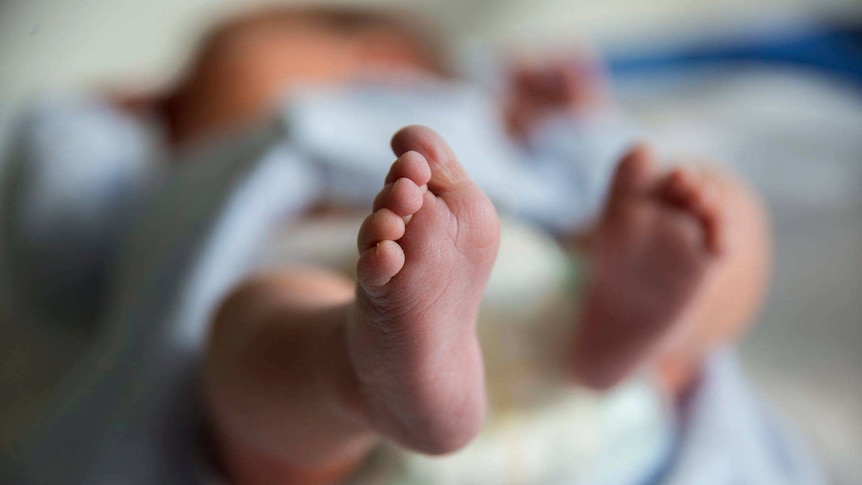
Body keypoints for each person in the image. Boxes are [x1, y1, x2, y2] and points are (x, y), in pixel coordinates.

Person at [0, 6, 819, 485]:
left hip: (556, 297)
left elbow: (606, 182)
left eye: (206, 76)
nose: (189, 96)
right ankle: (367, 373)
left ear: (386, 60)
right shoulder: (175, 187)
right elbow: (57, 237)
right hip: (350, 319)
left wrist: (579, 130)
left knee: (700, 210)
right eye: (184, 100)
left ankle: (635, 322)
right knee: (251, 334)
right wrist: (96, 120)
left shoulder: (495, 129)